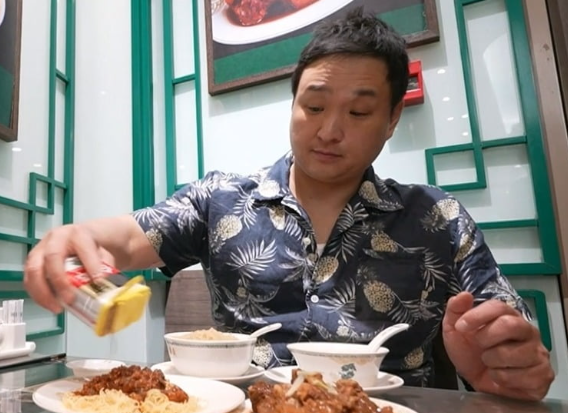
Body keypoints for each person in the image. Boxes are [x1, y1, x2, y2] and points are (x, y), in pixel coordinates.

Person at [24, 7, 553, 401]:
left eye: (359, 113)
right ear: (294, 101)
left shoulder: (438, 218)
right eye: (314, 106)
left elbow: (507, 331)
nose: (329, 130)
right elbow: (131, 236)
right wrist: (78, 238)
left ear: (393, 119)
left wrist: (504, 366)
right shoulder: (223, 199)